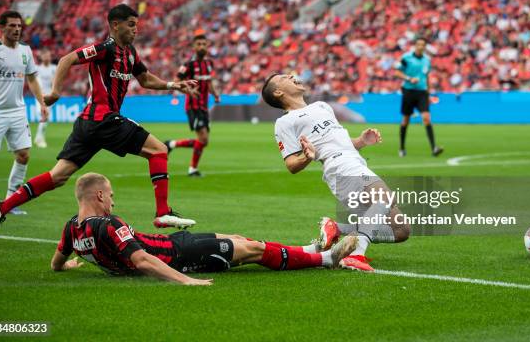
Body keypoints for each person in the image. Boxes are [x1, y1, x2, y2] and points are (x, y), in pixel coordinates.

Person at [0, 4, 197, 240]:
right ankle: (162, 213)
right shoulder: (104, 48)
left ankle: (2, 207)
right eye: (131, 24)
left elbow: (145, 79)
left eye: (137, 25)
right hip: (102, 118)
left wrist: (173, 85)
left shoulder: (130, 53)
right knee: (159, 150)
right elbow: (66, 59)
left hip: (89, 124)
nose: (136, 30)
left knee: (58, 176)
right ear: (115, 25)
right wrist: (55, 92)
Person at [51, 173, 358, 284]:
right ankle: (326, 259)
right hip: (179, 255)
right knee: (254, 250)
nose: (114, 203)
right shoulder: (108, 224)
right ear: (100, 195)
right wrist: (185, 281)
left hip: (175, 242)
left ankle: (310, 250)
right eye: (112, 196)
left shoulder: (71, 229)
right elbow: (142, 260)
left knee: (239, 239)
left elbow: (56, 262)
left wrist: (70, 264)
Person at [261, 73, 410, 272]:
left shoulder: (322, 106)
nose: (291, 75)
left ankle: (337, 229)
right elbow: (291, 164)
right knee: (384, 197)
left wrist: (361, 141)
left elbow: (342, 143)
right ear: (278, 92)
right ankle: (356, 255)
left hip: (353, 161)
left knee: (401, 230)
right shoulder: (285, 122)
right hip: (338, 166)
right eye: (284, 77)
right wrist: (307, 156)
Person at [0, 10, 49, 216]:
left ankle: (10, 201)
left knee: (24, 155)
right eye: (12, 26)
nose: (17, 29)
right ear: (2, 27)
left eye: (19, 26)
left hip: (18, 111)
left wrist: (42, 102)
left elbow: (32, 78)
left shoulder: (26, 50)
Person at [165, 32, 220, 177]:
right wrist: (189, 91)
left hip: (204, 106)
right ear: (193, 47)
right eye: (199, 44)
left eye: (204, 44)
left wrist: (214, 93)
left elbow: (208, 82)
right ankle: (192, 169)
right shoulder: (188, 65)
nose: (202, 46)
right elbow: (176, 82)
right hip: (192, 106)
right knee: (203, 138)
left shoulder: (209, 64)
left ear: (207, 46)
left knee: (204, 141)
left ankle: (172, 144)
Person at [394, 37, 443, 157]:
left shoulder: (427, 60)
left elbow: (426, 77)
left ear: (425, 47)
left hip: (422, 92)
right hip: (409, 91)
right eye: (419, 44)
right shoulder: (406, 58)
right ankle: (402, 148)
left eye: (423, 45)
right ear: (415, 46)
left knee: (426, 118)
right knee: (406, 120)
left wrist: (429, 93)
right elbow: (397, 72)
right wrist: (409, 78)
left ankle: (434, 148)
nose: (421, 47)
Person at [34, 49, 56, 148]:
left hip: (50, 97)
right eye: (45, 56)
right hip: (40, 96)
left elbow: (56, 82)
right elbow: (36, 83)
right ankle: (39, 139)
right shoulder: (37, 68)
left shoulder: (54, 68)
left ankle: (39, 138)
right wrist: (40, 94)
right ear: (41, 57)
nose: (47, 57)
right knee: (44, 117)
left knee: (46, 118)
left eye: (48, 55)